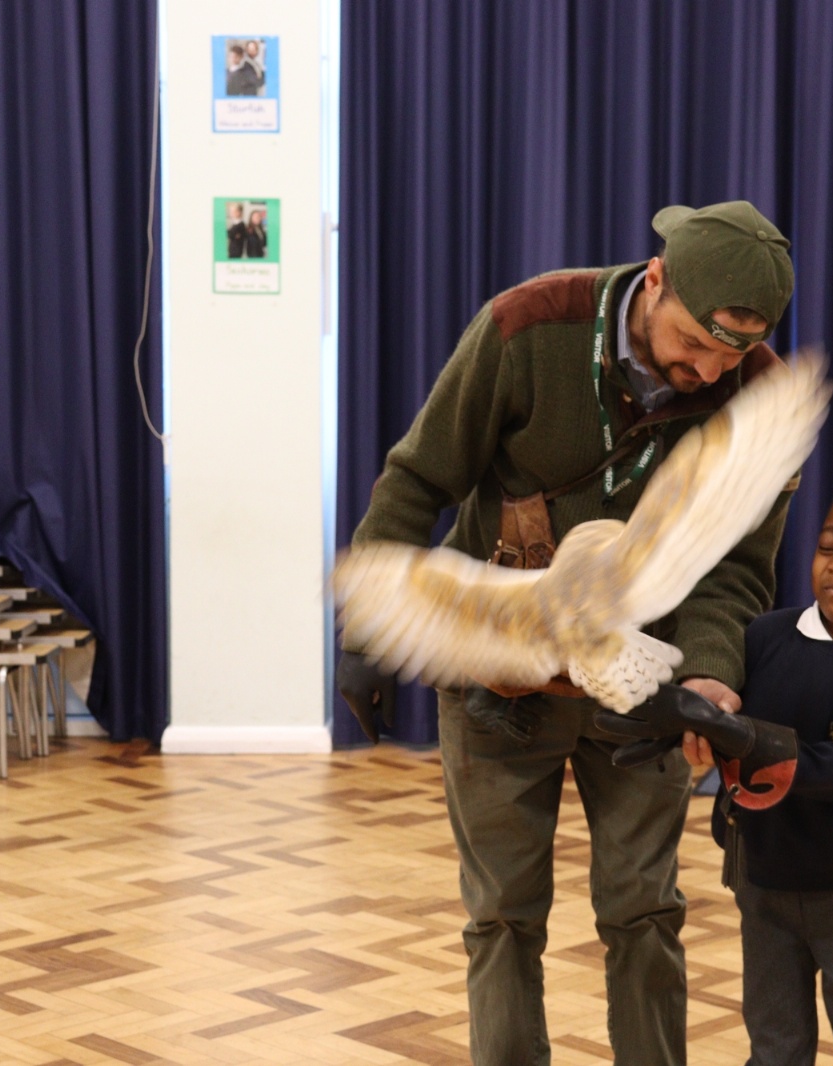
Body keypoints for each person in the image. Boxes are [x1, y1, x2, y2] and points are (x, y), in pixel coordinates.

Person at [338, 200, 799, 1066]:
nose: (707, 370)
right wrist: (365, 634)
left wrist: (708, 676)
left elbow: (734, 569)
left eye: (732, 354)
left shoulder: (763, 397)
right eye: (693, 342)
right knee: (502, 915)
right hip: (501, 677)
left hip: (644, 689)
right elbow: (418, 478)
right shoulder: (527, 327)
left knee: (644, 912)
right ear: (655, 280)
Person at [598, 474, 833, 1066]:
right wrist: (680, 725)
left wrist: (748, 739)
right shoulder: (762, 636)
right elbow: (719, 716)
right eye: (828, 546)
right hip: (763, 881)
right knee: (774, 1042)